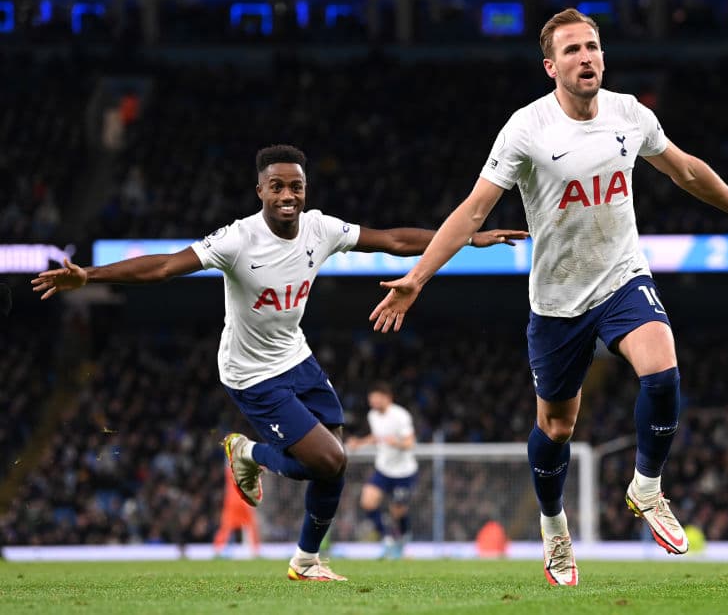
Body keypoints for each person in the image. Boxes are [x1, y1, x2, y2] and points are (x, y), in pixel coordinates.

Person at [369, 9, 728, 586]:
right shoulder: (526, 129)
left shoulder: (629, 113)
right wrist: (418, 277)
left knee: (664, 371)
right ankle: (554, 530)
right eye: (571, 51)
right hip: (557, 298)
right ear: (551, 67)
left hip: (622, 276)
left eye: (592, 46)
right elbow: (473, 209)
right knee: (556, 428)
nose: (586, 57)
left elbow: (684, 171)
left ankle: (647, 487)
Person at [32, 144, 528, 582]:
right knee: (329, 461)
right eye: (277, 186)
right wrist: (91, 276)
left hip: (297, 356)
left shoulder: (321, 228)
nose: (288, 194)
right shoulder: (236, 240)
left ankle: (306, 562)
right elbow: (163, 266)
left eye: (296, 186)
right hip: (250, 374)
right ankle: (248, 453)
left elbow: (394, 240)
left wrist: (467, 238)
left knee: (334, 463)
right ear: (260, 191)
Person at [344, 381, 418, 559]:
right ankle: (387, 538)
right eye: (372, 399)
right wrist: (359, 443)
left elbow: (410, 442)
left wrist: (397, 443)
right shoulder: (373, 416)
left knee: (397, 511)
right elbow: (377, 437)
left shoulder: (401, 416)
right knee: (368, 501)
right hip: (383, 469)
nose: (374, 402)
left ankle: (404, 538)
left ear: (387, 398)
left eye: (377, 398)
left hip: (403, 472)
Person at [213, 462, 261, 559]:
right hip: (244, 500)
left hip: (232, 500)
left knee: (226, 527)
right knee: (251, 525)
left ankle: (217, 550)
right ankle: (255, 551)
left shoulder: (230, 465)